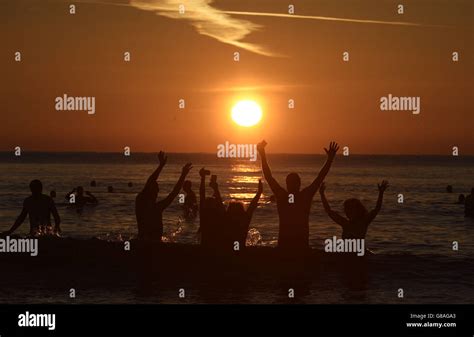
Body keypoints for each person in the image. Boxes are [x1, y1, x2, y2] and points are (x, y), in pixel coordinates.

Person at [257, 140, 339, 251]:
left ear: (287, 184)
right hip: (300, 246)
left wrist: (262, 154)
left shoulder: (282, 196)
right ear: (299, 184)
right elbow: (320, 177)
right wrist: (329, 160)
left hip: (285, 246)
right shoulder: (305, 196)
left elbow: (268, 176)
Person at [135, 151, 192, 241]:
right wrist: (161, 166)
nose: (157, 193)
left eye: (157, 191)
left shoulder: (155, 206)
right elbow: (151, 180)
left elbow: (174, 193)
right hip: (147, 243)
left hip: (153, 244)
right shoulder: (142, 203)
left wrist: (183, 175)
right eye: (155, 191)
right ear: (149, 191)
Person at [319, 180, 389, 240]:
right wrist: (322, 194)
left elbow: (377, 209)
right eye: (347, 209)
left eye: (351, 209)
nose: (348, 211)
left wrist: (381, 193)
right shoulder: (345, 223)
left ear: (359, 210)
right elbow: (329, 211)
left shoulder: (364, 222)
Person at [225, 179, 263, 249]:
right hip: (241, 250)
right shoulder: (244, 220)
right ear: (241, 211)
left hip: (227, 251)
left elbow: (218, 203)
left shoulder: (227, 219)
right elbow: (252, 205)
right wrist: (259, 191)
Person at [198, 168, 226, 248]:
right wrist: (215, 188)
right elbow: (219, 202)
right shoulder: (220, 215)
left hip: (205, 248)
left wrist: (203, 178)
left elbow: (202, 194)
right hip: (219, 248)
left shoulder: (204, 216)